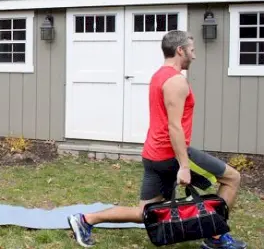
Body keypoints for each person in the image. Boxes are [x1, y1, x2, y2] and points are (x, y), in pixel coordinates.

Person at [67, 30, 246, 249]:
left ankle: (85, 220)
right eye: (192, 50)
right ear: (180, 50)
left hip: (153, 154)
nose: (194, 55)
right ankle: (216, 237)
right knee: (232, 178)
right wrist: (184, 166)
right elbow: (174, 126)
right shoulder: (176, 81)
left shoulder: (158, 75)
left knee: (147, 212)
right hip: (171, 154)